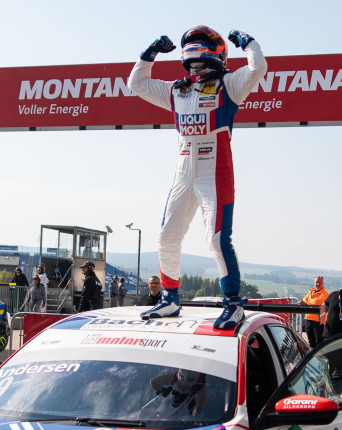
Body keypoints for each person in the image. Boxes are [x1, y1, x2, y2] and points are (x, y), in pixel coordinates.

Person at [129, 26, 266, 330]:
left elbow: (258, 68)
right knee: (167, 237)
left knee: (217, 240)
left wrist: (248, 42)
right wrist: (151, 52)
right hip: (182, 174)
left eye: (201, 63)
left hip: (214, 174)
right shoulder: (177, 90)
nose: (197, 69)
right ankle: (170, 298)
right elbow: (136, 83)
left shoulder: (228, 85)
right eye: (193, 64)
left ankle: (233, 305)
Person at [300, 276, 329, 347]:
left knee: (319, 342)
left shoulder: (325, 294)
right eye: (316, 282)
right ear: (314, 283)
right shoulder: (311, 292)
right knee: (311, 342)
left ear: (323, 283)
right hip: (308, 319)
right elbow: (304, 299)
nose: (318, 284)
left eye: (319, 282)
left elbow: (318, 302)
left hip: (319, 321)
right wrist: (306, 302)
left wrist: (307, 303)